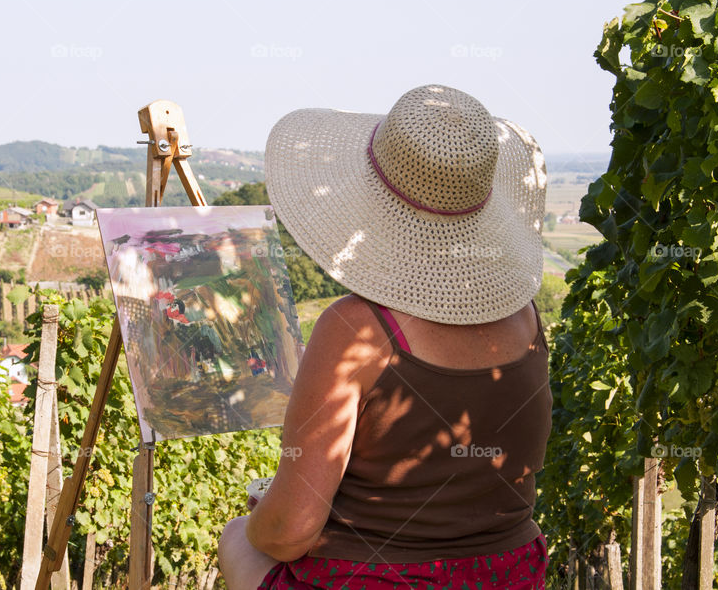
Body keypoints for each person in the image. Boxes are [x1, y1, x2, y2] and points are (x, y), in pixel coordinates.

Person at [217, 85, 552, 589]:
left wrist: (262, 517)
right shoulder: (524, 316)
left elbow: (290, 534)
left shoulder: (356, 330)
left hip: (373, 580)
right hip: (507, 577)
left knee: (238, 538)